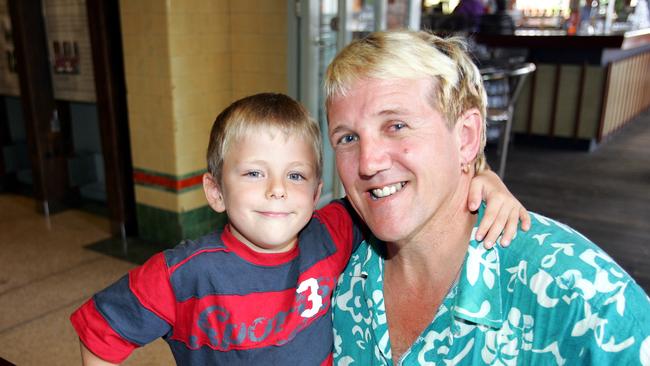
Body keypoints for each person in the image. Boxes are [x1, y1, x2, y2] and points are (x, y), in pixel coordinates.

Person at [70, 93, 526, 365]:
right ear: (215, 191)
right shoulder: (183, 272)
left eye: (294, 176)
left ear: (316, 193)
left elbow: (391, 192)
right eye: (252, 174)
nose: (276, 191)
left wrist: (481, 179)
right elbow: (100, 330)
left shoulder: (333, 230)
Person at [326, 30, 650, 365]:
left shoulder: (580, 294)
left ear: (465, 136)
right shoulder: (331, 273)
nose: (367, 162)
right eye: (348, 137)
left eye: (396, 126)